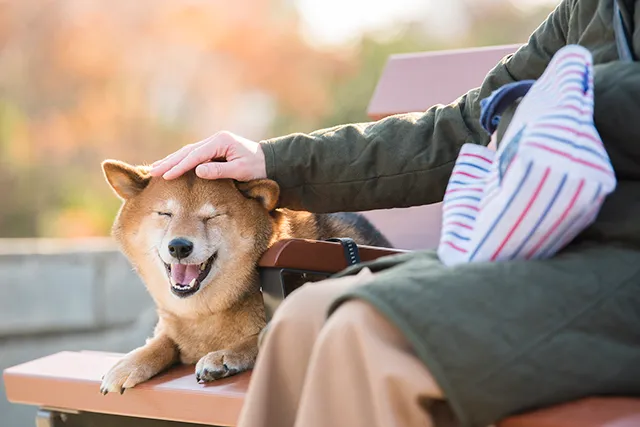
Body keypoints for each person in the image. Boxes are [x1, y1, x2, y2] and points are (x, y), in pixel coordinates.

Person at [149, 1, 640, 426]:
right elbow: (464, 126)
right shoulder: (589, 8)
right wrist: (274, 161)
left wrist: (585, 98)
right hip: (547, 249)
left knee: (367, 335)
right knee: (302, 320)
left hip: (621, 259)